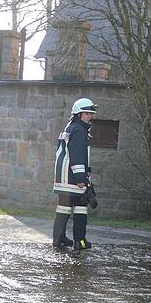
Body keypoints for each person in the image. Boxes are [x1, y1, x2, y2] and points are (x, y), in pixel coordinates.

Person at [53, 97, 95, 250]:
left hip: (63, 178)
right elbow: (77, 155)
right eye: (86, 114)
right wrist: (81, 178)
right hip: (73, 179)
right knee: (81, 208)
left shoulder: (69, 128)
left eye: (91, 114)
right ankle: (80, 241)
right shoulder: (79, 131)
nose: (90, 116)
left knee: (63, 209)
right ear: (79, 114)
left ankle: (59, 238)